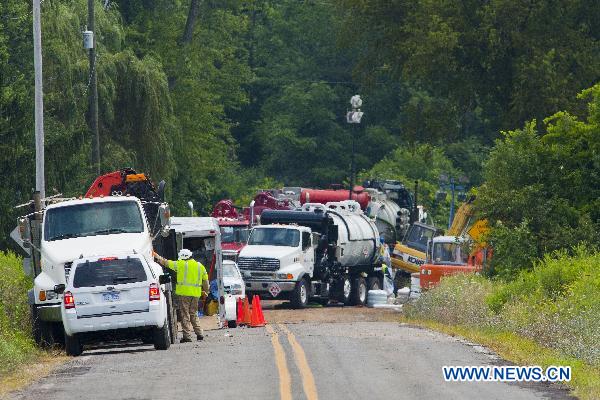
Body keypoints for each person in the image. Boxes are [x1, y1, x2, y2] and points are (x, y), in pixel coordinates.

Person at [154, 248, 209, 343]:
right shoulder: (200, 266)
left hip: (184, 294)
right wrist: (206, 291)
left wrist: (156, 256)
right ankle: (199, 334)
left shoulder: (181, 264)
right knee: (193, 314)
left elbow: (166, 263)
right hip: (196, 294)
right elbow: (205, 281)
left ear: (183, 257)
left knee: (185, 315)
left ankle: (187, 336)